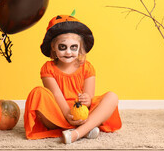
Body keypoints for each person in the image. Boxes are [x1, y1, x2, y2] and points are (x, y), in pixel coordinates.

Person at [24, 14, 122, 144]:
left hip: (83, 114)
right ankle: (86, 129)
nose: (68, 52)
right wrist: (68, 116)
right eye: (63, 47)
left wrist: (86, 100)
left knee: (112, 97)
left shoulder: (87, 68)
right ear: (53, 47)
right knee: (37, 92)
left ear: (80, 47)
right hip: (59, 113)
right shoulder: (48, 68)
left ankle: (77, 132)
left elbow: (89, 97)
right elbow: (56, 94)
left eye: (73, 47)